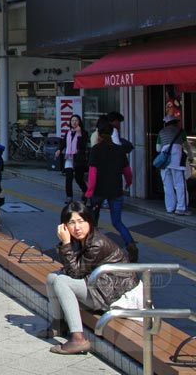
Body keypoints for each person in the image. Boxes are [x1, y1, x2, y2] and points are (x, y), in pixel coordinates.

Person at [40, 201, 139, 355]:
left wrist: (66, 244)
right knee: (52, 277)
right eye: (71, 223)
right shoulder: (84, 239)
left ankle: (78, 338)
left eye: (81, 221)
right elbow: (75, 269)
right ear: (64, 226)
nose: (77, 227)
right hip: (102, 285)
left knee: (61, 282)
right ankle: (58, 323)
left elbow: (75, 273)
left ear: (89, 221)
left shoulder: (97, 243)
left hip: (115, 294)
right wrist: (66, 245)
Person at [85, 120, 138, 261]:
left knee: (92, 222)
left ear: (99, 135)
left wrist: (89, 191)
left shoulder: (96, 150)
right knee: (117, 221)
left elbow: (92, 173)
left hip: (99, 190)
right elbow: (127, 171)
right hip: (116, 189)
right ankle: (131, 245)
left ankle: (92, 250)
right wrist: (128, 182)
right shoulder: (119, 150)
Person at [156, 113, 193, 216]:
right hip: (177, 160)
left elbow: (158, 148)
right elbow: (187, 146)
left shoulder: (161, 132)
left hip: (164, 162)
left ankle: (170, 207)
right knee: (180, 184)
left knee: (167, 185)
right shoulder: (181, 131)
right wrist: (190, 157)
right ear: (175, 123)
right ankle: (181, 208)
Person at [56, 115, 89, 204]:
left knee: (78, 178)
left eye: (76, 120)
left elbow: (83, 145)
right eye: (72, 120)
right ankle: (69, 196)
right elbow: (64, 143)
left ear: (79, 122)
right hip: (69, 156)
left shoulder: (84, 133)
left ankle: (86, 191)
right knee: (69, 177)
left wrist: (80, 134)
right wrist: (59, 149)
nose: (74, 122)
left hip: (79, 158)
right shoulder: (69, 132)